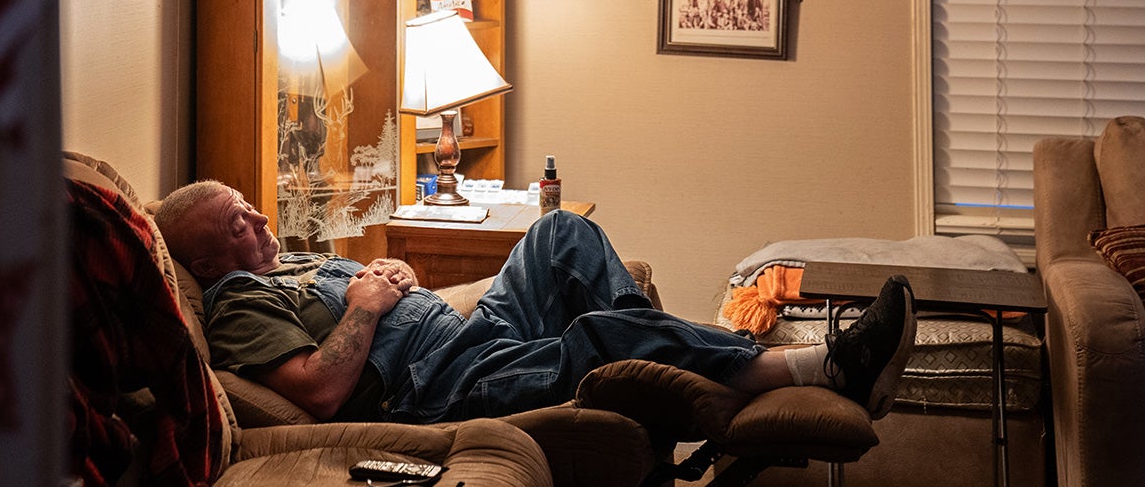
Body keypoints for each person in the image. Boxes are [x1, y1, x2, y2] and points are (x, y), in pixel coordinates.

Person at [154, 181, 919, 426]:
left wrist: (392, 277)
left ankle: (661, 348)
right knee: (596, 338)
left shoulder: (293, 261)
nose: (261, 219)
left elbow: (378, 296)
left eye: (250, 206)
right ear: (206, 261)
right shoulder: (237, 300)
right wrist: (364, 306)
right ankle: (825, 367)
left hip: (469, 333)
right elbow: (318, 392)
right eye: (239, 222)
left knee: (559, 231)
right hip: (436, 387)